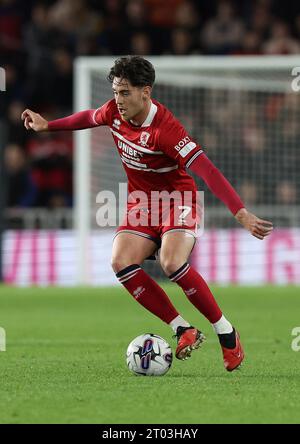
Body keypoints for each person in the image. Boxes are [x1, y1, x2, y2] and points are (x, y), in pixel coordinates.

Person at [21, 55, 273, 371]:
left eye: (125, 92)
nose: (118, 99)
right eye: (115, 91)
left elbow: (207, 171)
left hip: (179, 200)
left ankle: (226, 332)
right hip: (142, 203)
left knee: (171, 262)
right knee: (120, 261)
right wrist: (49, 126)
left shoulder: (166, 130)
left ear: (146, 92)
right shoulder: (114, 112)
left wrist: (242, 214)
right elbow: (89, 116)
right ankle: (183, 328)